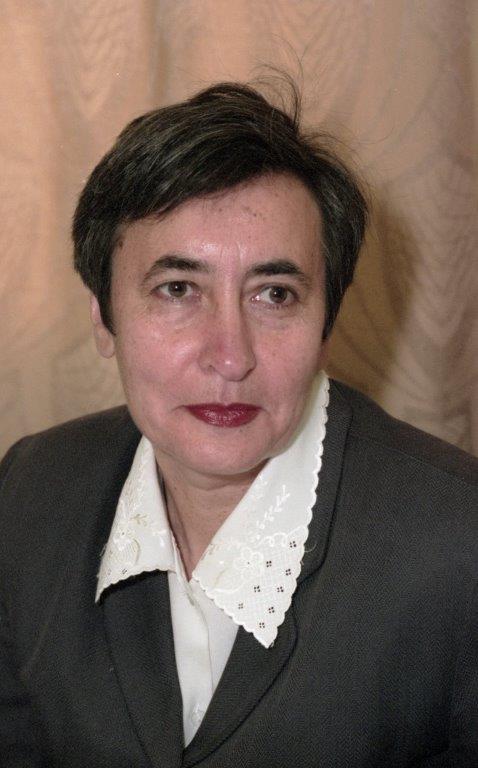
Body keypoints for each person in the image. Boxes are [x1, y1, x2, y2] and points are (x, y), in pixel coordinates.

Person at [0, 80, 477, 768]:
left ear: (326, 324)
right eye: (178, 289)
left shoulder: (460, 542)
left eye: (274, 294)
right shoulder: (31, 488)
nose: (230, 356)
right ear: (103, 316)